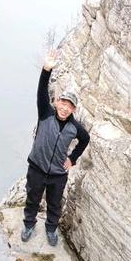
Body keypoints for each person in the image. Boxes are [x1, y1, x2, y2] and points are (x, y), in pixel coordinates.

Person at [21, 48, 90, 246]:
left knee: (54, 204)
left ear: (73, 109)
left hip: (58, 174)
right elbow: (41, 90)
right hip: (37, 167)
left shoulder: (75, 128)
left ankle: (51, 229)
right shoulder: (45, 113)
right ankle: (28, 224)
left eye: (69, 106)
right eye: (63, 103)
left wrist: (72, 159)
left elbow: (85, 140)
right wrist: (46, 69)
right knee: (32, 199)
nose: (65, 108)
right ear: (57, 102)